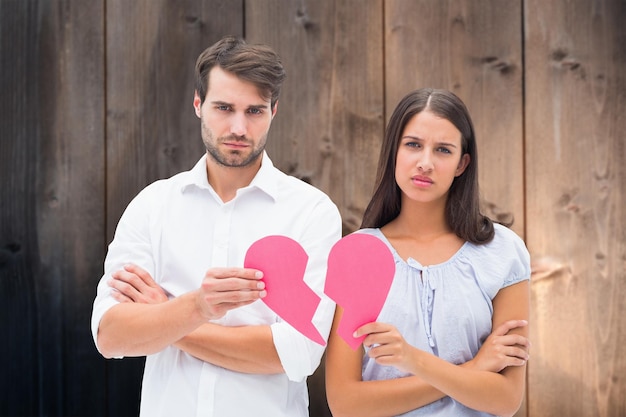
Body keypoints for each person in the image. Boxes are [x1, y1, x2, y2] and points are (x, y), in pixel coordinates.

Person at [90, 35, 342, 417]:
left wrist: (167, 317)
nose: (238, 128)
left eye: (254, 111)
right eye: (224, 107)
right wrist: (198, 306)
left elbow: (299, 353)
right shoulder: (153, 206)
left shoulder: (311, 213)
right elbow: (110, 335)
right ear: (198, 105)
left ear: (274, 111)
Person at [325, 88, 531, 417]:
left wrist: (413, 360)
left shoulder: (503, 252)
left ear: (462, 163)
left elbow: (505, 400)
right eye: (413, 145)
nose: (425, 163)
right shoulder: (357, 255)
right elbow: (345, 403)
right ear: (395, 151)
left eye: (443, 150)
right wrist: (475, 367)